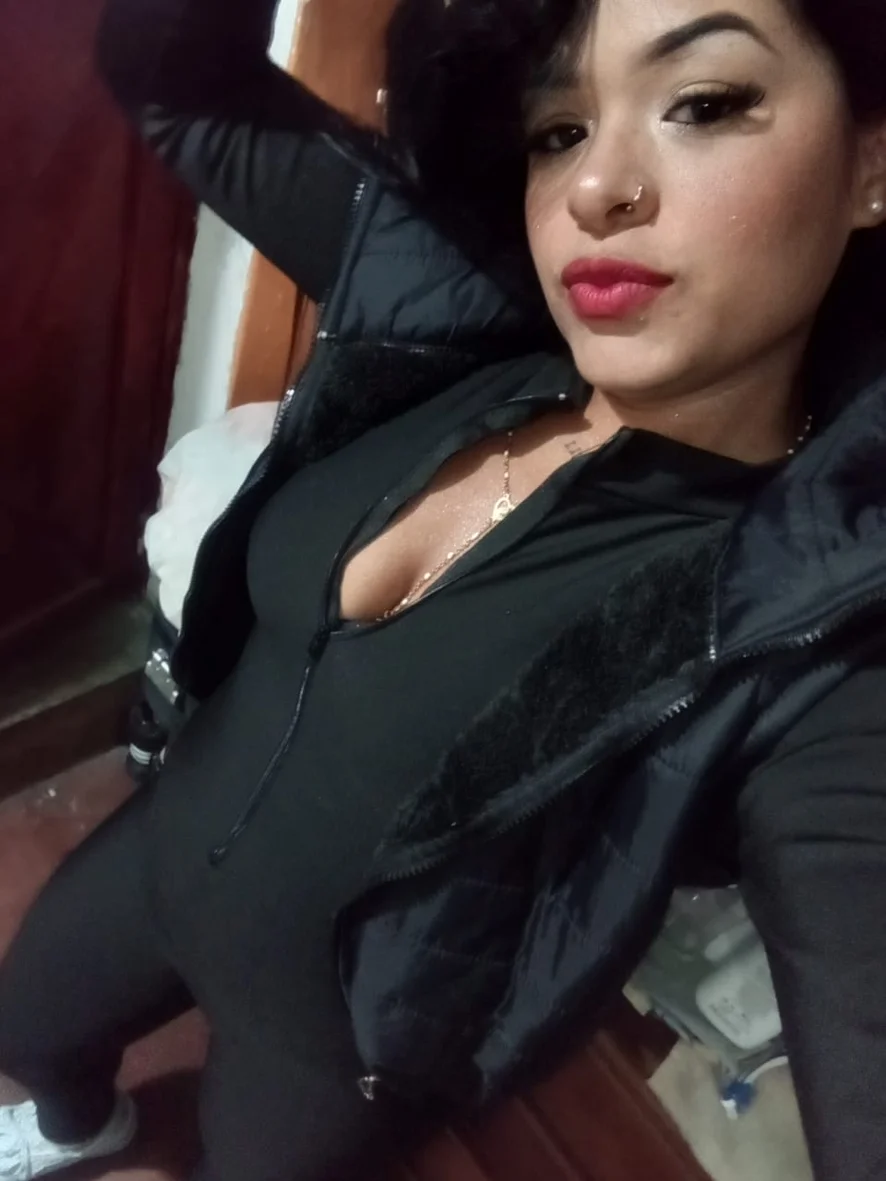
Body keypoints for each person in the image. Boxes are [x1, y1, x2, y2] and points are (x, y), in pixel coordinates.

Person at [1, 0, 885, 1177]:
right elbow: (167, 69)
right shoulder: (461, 304)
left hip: (334, 1041)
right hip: (160, 847)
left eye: (703, 103)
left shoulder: (808, 635)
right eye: (558, 130)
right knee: (26, 1027)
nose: (594, 188)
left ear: (870, 165)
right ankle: (81, 1126)